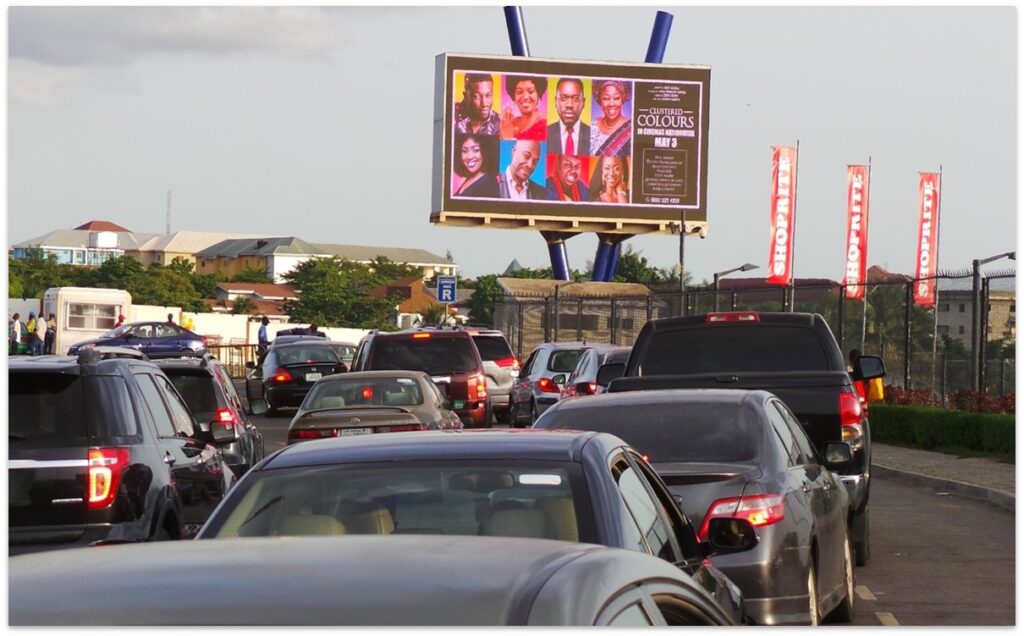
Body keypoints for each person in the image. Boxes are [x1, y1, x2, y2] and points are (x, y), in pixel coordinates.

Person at [547, 77, 591, 156]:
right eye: (563, 98)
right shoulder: (545, 133)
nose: (569, 105)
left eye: (575, 98)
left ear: (583, 102)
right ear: (556, 101)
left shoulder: (592, 135)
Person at [590, 79, 632, 157]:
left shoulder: (630, 130)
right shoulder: (591, 127)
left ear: (623, 99)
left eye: (616, 98)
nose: (611, 104)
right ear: (600, 100)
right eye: (606, 98)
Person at [499, 75, 547, 141]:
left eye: (531, 91)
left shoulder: (544, 126)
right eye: (519, 92)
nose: (525, 97)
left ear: (538, 95)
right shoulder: (511, 123)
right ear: (514, 96)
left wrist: (509, 138)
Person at [452, 133, 500, 198]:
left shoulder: (490, 183)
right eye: (464, 151)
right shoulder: (470, 178)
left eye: (476, 150)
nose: (469, 156)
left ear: (486, 152)